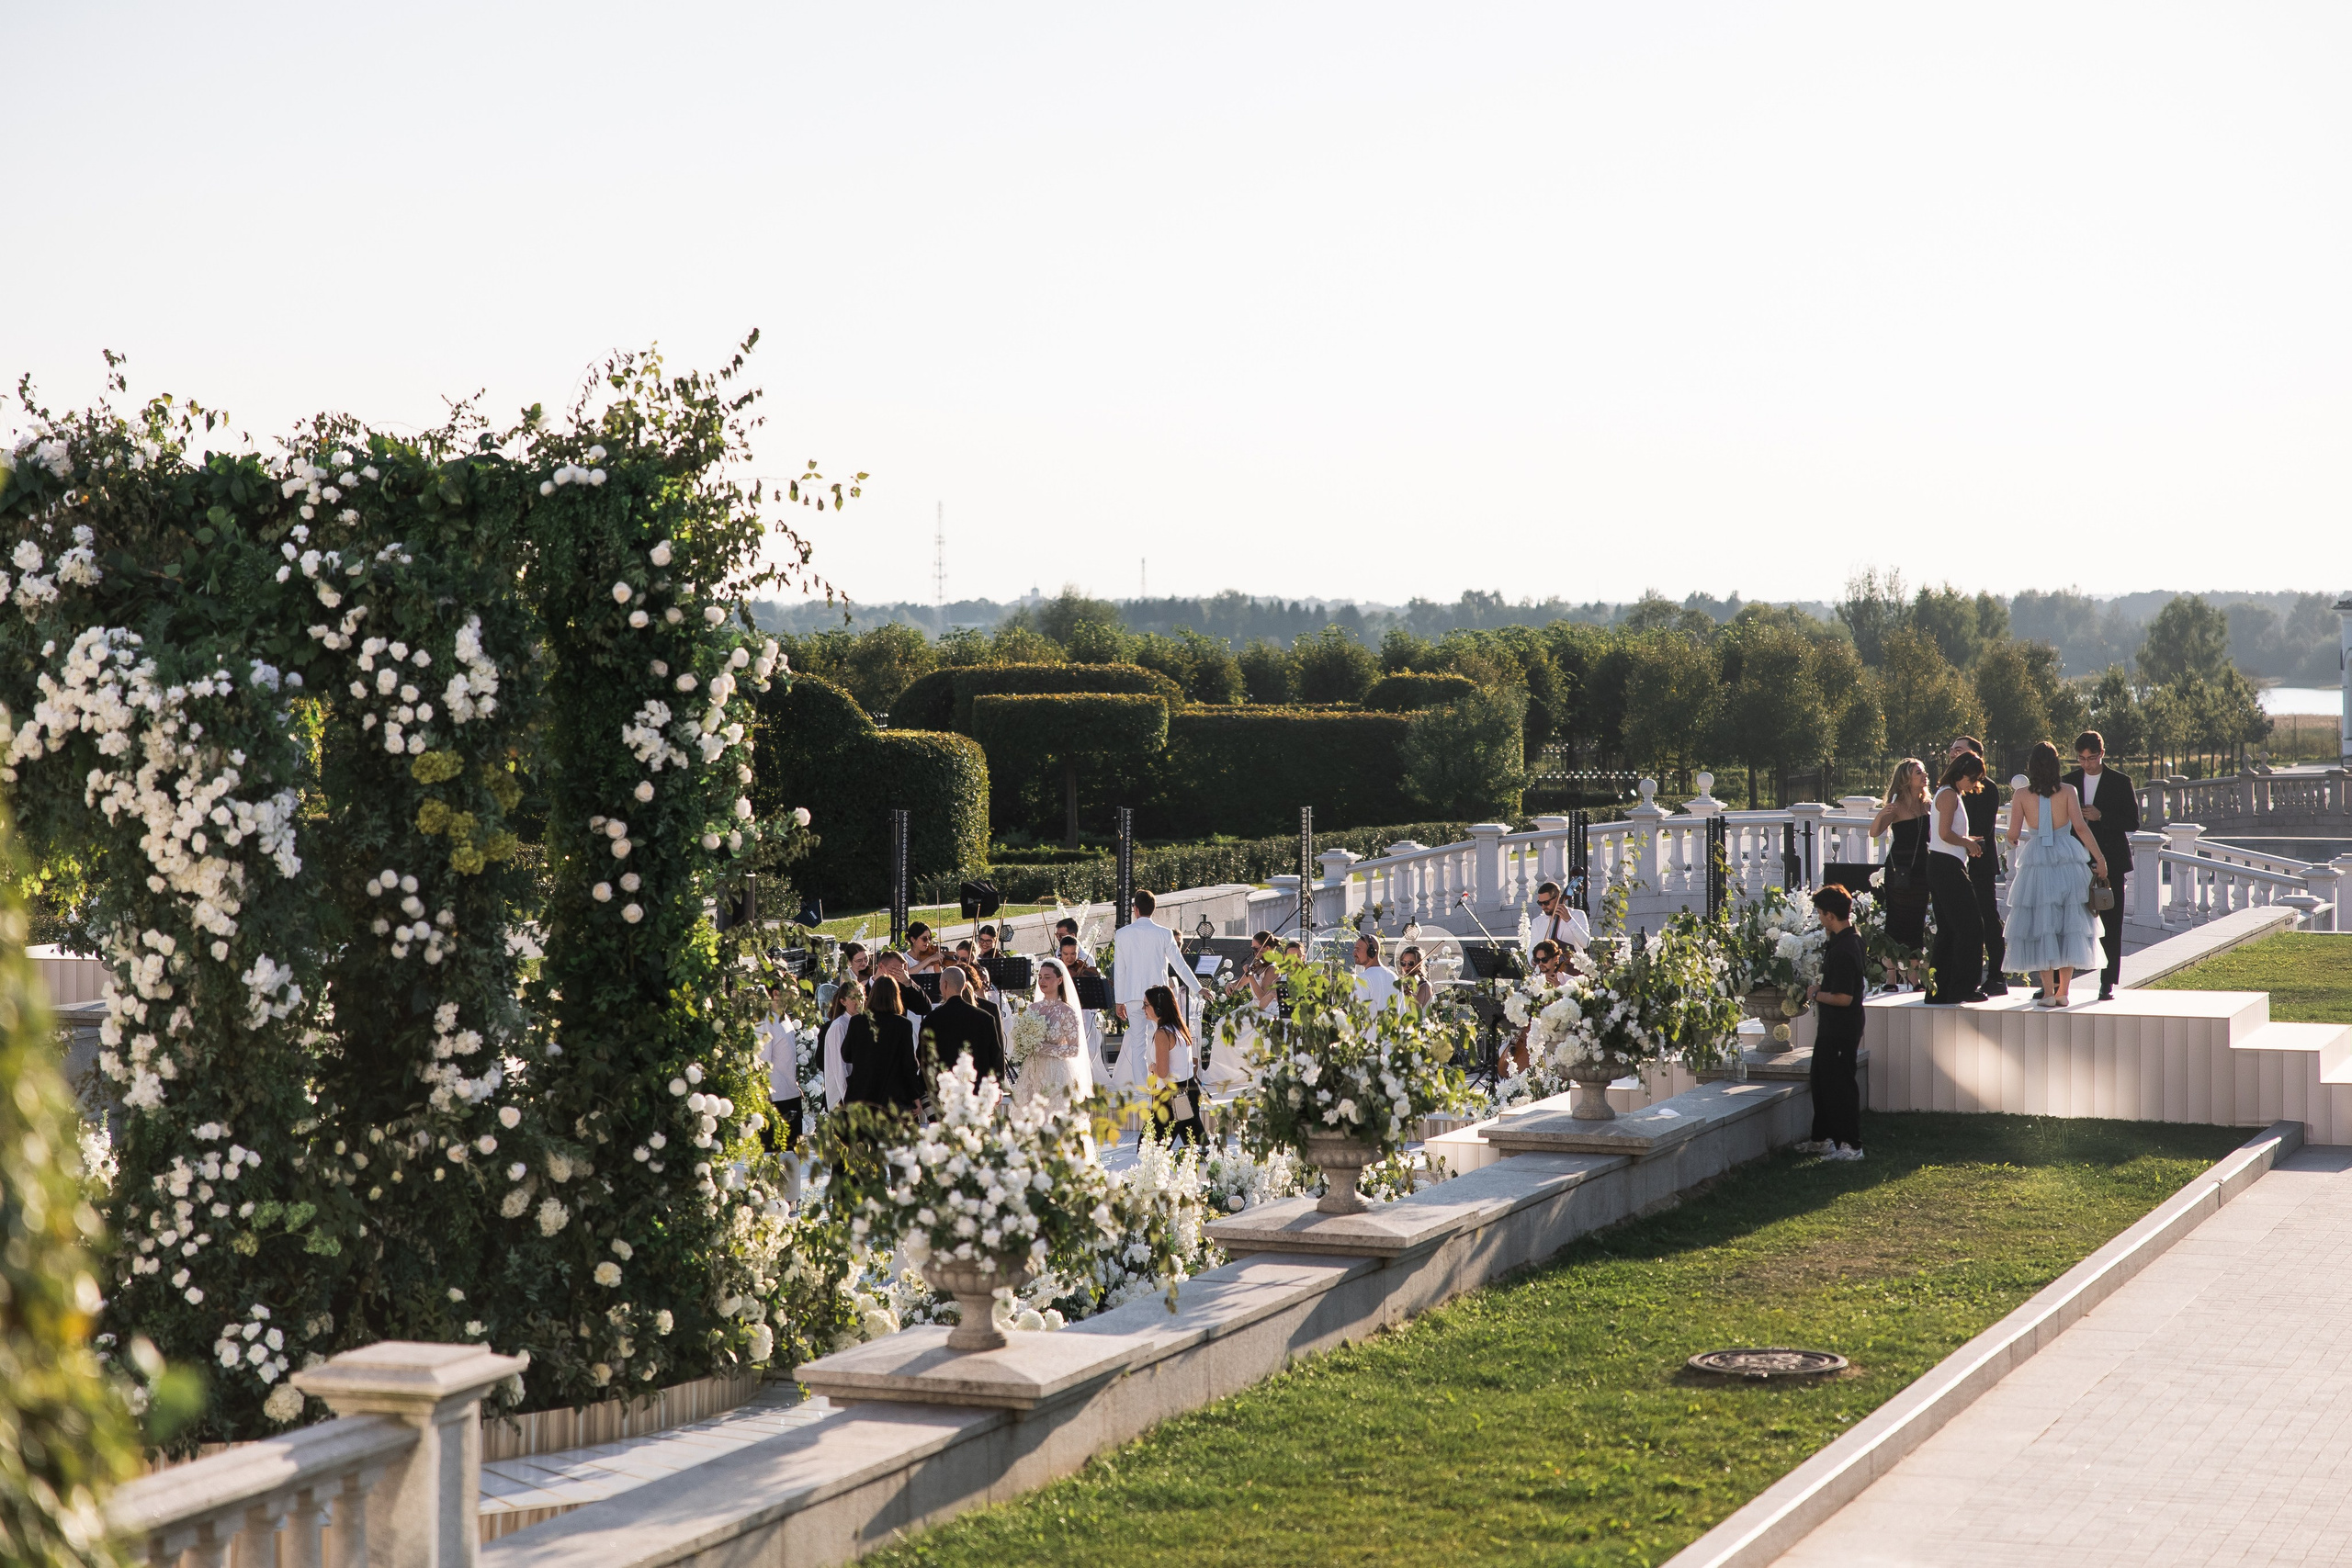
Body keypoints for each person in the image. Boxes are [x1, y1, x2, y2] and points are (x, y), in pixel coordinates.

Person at [2007, 739, 2109, 1009]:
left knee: (2042, 923)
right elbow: (2081, 828)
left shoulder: (2020, 795)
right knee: (2069, 923)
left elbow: (2014, 835)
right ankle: (2064, 991)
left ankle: (2048, 992)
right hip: (2067, 858)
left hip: (2037, 859)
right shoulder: (2068, 791)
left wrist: (2010, 839)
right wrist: (2099, 859)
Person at [2064, 729, 2138, 1002]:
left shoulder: (2120, 781)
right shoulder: (2068, 782)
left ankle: (2107, 982)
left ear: (2102, 754)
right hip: (2075, 859)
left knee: (2112, 922)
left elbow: (2133, 821)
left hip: (2113, 861)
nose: (2087, 764)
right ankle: (2060, 984)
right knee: (2069, 922)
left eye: (2091, 758)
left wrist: (2101, 816)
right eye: (2081, 759)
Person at [1801, 884, 1867, 1161]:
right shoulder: (1850, 939)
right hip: (1834, 1028)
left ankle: (1850, 1145)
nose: (1818, 917)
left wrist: (1817, 994)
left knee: (1839, 1086)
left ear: (1830, 915)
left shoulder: (1843, 950)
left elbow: (1844, 998)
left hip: (1841, 1028)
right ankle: (1821, 1139)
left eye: (1819, 913)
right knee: (1821, 1080)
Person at [1926, 751, 1988, 1006]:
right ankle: (1962, 987)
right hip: (1947, 866)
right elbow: (1944, 833)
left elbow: (1944, 834)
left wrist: (1966, 841)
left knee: (1950, 930)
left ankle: (1940, 990)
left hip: (1942, 864)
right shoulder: (1950, 794)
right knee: (1970, 927)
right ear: (1960, 774)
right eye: (1972, 779)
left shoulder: (1948, 793)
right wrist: (1967, 844)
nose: (1973, 784)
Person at [1951, 737, 2009, 995]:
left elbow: (1982, 829)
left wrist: (1961, 841)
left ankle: (1997, 975)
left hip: (1979, 863)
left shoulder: (1987, 788)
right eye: (1952, 750)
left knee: (1988, 919)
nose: (1953, 754)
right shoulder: (1950, 788)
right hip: (1955, 862)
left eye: (1959, 750)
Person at [1870, 759, 1934, 990]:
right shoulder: (1896, 806)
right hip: (1899, 868)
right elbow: (1874, 832)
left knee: (1916, 921)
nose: (1924, 775)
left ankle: (1914, 977)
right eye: (1919, 772)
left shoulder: (1929, 804)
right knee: (1896, 919)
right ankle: (1890, 977)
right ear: (1906, 778)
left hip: (1921, 868)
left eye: (1924, 771)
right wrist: (1883, 813)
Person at [1113, 889, 1200, 1033]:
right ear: (1154, 909)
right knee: (1160, 1037)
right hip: (1157, 995)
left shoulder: (1122, 934)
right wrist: (1197, 987)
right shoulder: (1165, 933)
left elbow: (1120, 971)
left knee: (1137, 1044)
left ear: (1135, 909)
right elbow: (1179, 964)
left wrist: (1119, 1000)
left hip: (1133, 995)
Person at [1015, 956, 1091, 1103]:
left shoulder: (1066, 1011)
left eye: (1047, 977)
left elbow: (1074, 1050)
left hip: (1057, 1072)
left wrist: (1044, 1049)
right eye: (1040, 977)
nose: (1042, 981)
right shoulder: (1032, 1008)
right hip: (1033, 1071)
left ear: (1060, 980)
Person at [842, 975, 922, 1111]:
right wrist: (915, 1096)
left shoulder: (857, 1021)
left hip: (861, 1095)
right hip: (891, 1098)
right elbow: (908, 1064)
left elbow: (846, 1055)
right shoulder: (903, 1025)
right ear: (896, 996)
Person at [1140, 984, 1205, 1147]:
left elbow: (1162, 1072)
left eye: (1146, 1005)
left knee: (1148, 1147)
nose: (1143, 1008)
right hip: (1190, 1091)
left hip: (1172, 1097)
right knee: (1197, 1146)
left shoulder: (1163, 1034)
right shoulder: (1180, 1028)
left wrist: (1153, 1067)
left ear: (1159, 1008)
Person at [921, 964, 1006, 1086]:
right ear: (964, 986)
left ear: (944, 985)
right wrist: (997, 1086)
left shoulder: (932, 1019)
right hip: (978, 1087)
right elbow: (996, 1055)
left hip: (945, 1088)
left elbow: (924, 1057)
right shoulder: (986, 1018)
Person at [758, 983, 804, 1151]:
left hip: (790, 1094)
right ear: (776, 993)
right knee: (776, 1155)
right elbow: (762, 1062)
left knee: (792, 1155)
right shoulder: (765, 1021)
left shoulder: (785, 1017)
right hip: (775, 1100)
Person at [820, 977, 863, 1109]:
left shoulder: (861, 1023)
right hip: (842, 1097)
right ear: (843, 1002)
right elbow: (840, 1067)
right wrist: (847, 1099)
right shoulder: (839, 1026)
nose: (859, 1002)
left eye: (860, 997)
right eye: (853, 998)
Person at [1528, 880, 1591, 953]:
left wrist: (1569, 920)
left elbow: (1585, 943)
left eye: (1546, 903)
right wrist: (1535, 960)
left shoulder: (1578, 915)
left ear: (1557, 898)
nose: (1543, 906)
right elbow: (1532, 948)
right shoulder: (1537, 922)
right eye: (1540, 903)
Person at [871, 950, 933, 1021]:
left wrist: (908, 983)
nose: (898, 973)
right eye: (894, 969)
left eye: (901, 970)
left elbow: (925, 1009)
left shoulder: (902, 989)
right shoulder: (865, 988)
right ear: (881, 966)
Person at [1352, 933, 1398, 1010]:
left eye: (1358, 949)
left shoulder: (1363, 978)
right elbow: (1401, 1012)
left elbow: (1358, 1013)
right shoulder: (1394, 977)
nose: (1354, 953)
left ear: (1371, 952)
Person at [1396, 945, 1436, 1009]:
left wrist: (1408, 995)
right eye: (1403, 963)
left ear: (1419, 964)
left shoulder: (1425, 986)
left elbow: (1417, 1011)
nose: (1406, 966)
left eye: (1410, 963)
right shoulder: (1404, 983)